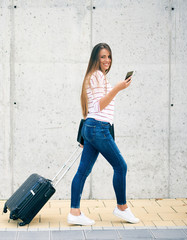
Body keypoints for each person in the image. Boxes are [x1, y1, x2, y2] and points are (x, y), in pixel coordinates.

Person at [67, 43, 140, 225]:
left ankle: (74, 212)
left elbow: (91, 109)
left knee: (83, 171)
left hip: (92, 128)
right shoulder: (97, 76)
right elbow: (99, 105)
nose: (107, 60)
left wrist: (86, 135)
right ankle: (122, 208)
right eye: (102, 57)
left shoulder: (93, 76)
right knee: (121, 167)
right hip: (98, 128)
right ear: (95, 59)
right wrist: (118, 88)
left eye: (108, 56)